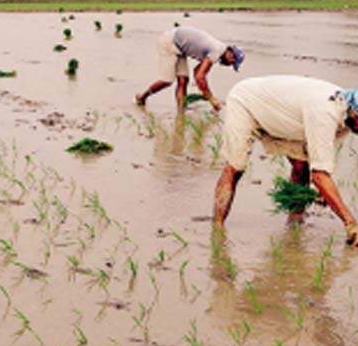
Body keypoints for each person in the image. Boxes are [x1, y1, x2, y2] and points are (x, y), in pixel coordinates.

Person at [213, 76, 358, 241]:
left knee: (301, 166)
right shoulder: (326, 112)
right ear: (355, 113)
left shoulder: (347, 115)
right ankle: (217, 229)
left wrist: (322, 192)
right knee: (235, 167)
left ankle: (294, 226)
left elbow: (317, 159)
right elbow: (320, 175)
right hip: (246, 102)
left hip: (285, 116)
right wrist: (351, 223)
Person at [136, 26, 245, 111]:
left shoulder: (218, 51)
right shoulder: (217, 51)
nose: (230, 64)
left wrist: (205, 93)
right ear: (230, 53)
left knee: (183, 80)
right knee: (167, 80)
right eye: (232, 62)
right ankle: (142, 97)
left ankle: (181, 111)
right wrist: (211, 98)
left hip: (180, 47)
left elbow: (197, 72)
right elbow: (200, 77)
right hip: (169, 41)